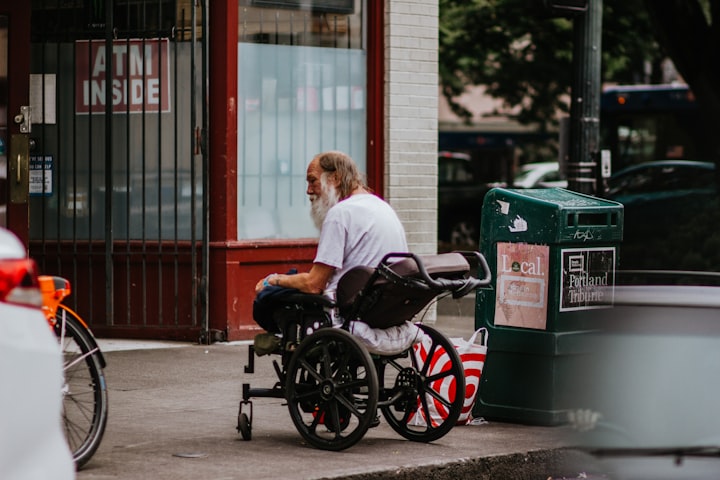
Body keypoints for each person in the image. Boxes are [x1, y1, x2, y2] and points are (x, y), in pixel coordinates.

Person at [253, 151, 408, 342]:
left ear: (335, 178)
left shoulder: (340, 213)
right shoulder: (383, 207)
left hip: (347, 307)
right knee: (292, 278)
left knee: (269, 295)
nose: (309, 191)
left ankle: (281, 337)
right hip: (383, 304)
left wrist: (274, 280)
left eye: (313, 181)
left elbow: (314, 284)